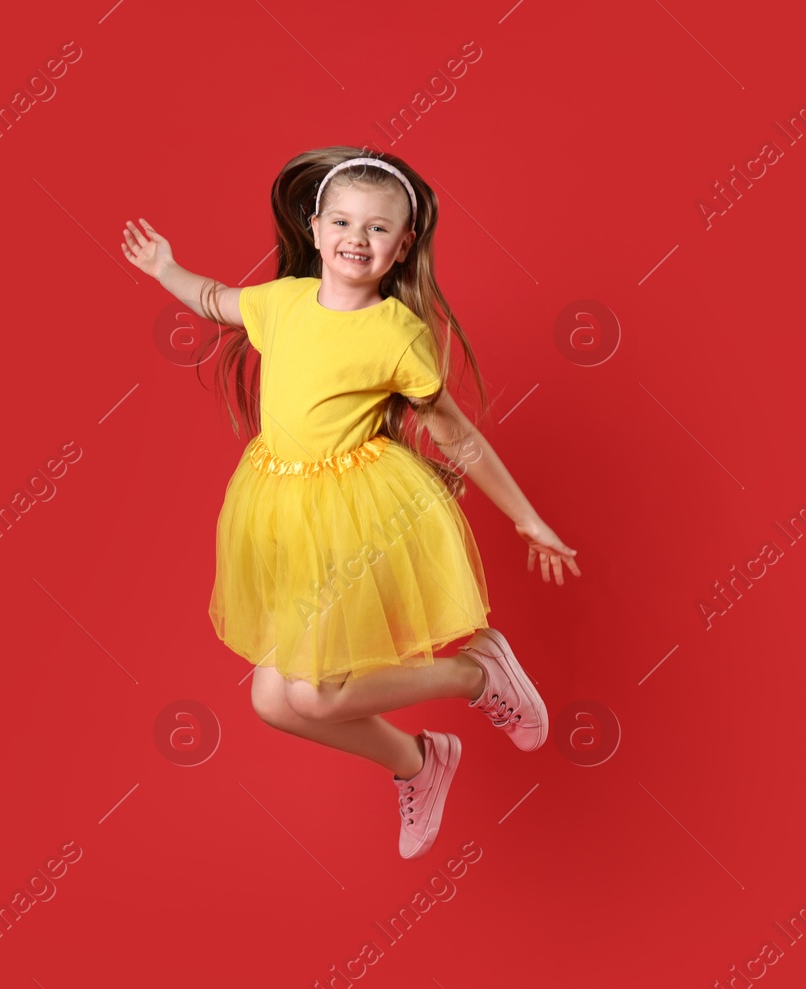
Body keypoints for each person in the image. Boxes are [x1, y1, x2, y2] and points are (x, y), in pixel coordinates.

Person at [121, 146, 581, 859]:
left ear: (402, 248)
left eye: (376, 229)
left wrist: (527, 516)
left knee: (319, 692)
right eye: (342, 221)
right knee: (275, 700)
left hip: (352, 518)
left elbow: (455, 435)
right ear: (313, 225)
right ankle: (421, 762)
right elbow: (214, 299)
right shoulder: (282, 303)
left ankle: (477, 672)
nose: (355, 239)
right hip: (280, 511)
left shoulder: (397, 335)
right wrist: (164, 270)